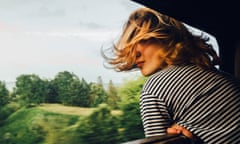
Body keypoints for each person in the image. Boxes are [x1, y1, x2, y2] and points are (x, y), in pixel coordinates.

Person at [102, 7, 240, 143]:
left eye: (142, 40)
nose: (134, 53)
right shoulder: (224, 77)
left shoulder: (154, 89)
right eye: (130, 45)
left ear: (167, 38)